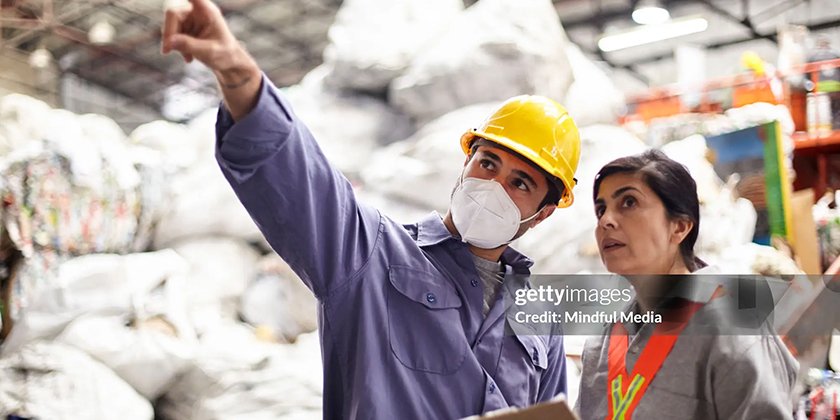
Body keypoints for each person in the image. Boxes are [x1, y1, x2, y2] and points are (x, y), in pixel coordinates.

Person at [160, 1, 582, 419]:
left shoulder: (539, 320)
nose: (493, 186)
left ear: (543, 213)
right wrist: (236, 70)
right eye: (487, 163)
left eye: (519, 183)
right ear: (465, 164)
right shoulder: (372, 253)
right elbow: (300, 183)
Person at [575, 150, 798, 419]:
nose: (605, 221)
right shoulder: (605, 341)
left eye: (629, 202)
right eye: (601, 209)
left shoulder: (731, 328)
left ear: (679, 227)